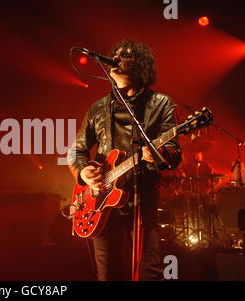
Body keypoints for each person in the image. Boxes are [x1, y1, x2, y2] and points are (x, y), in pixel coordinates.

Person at [68, 39, 182, 281]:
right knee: (107, 274)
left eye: (126, 55)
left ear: (141, 67)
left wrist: (157, 155)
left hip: (142, 200)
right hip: (101, 200)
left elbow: (173, 151)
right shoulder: (97, 109)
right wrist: (83, 173)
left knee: (148, 273)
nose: (117, 58)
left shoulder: (160, 104)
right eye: (115, 54)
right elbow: (76, 151)